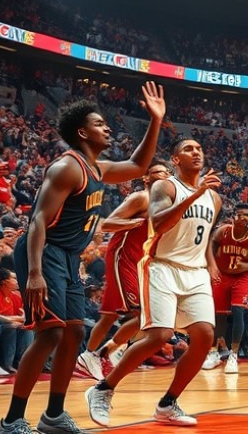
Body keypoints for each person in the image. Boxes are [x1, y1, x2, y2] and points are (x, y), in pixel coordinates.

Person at [0, 82, 165, 434]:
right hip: (44, 253)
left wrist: (156, 121)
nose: (107, 128)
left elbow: (137, 165)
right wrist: (34, 273)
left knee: (74, 333)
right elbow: (38, 220)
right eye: (99, 124)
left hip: (68, 257)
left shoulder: (98, 168)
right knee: (50, 335)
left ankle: (54, 416)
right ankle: (12, 420)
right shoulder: (68, 168)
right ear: (82, 132)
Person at [86, 138, 222, 427]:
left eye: (199, 148)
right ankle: (102, 389)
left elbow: (204, 233)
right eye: (188, 149)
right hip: (161, 266)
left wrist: (209, 262)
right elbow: (159, 224)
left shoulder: (215, 197)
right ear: (175, 159)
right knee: (159, 335)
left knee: (204, 336)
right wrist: (194, 195)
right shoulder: (166, 187)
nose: (196, 151)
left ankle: (167, 404)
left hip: (195, 271)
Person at [77, 161, 171, 380]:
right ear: (146, 178)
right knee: (145, 314)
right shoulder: (141, 198)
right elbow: (108, 224)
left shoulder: (166, 204)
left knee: (112, 315)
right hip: (123, 255)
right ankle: (94, 354)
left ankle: (100, 353)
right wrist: (136, 222)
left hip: (142, 260)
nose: (163, 176)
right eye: (158, 172)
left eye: (167, 173)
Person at [204, 204, 248, 374]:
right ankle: (214, 353)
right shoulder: (222, 231)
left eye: (245, 215)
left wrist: (246, 265)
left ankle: (233, 355)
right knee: (218, 316)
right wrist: (211, 265)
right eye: (238, 215)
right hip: (221, 276)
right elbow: (210, 247)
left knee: (238, 312)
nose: (241, 218)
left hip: (241, 277)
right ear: (233, 216)